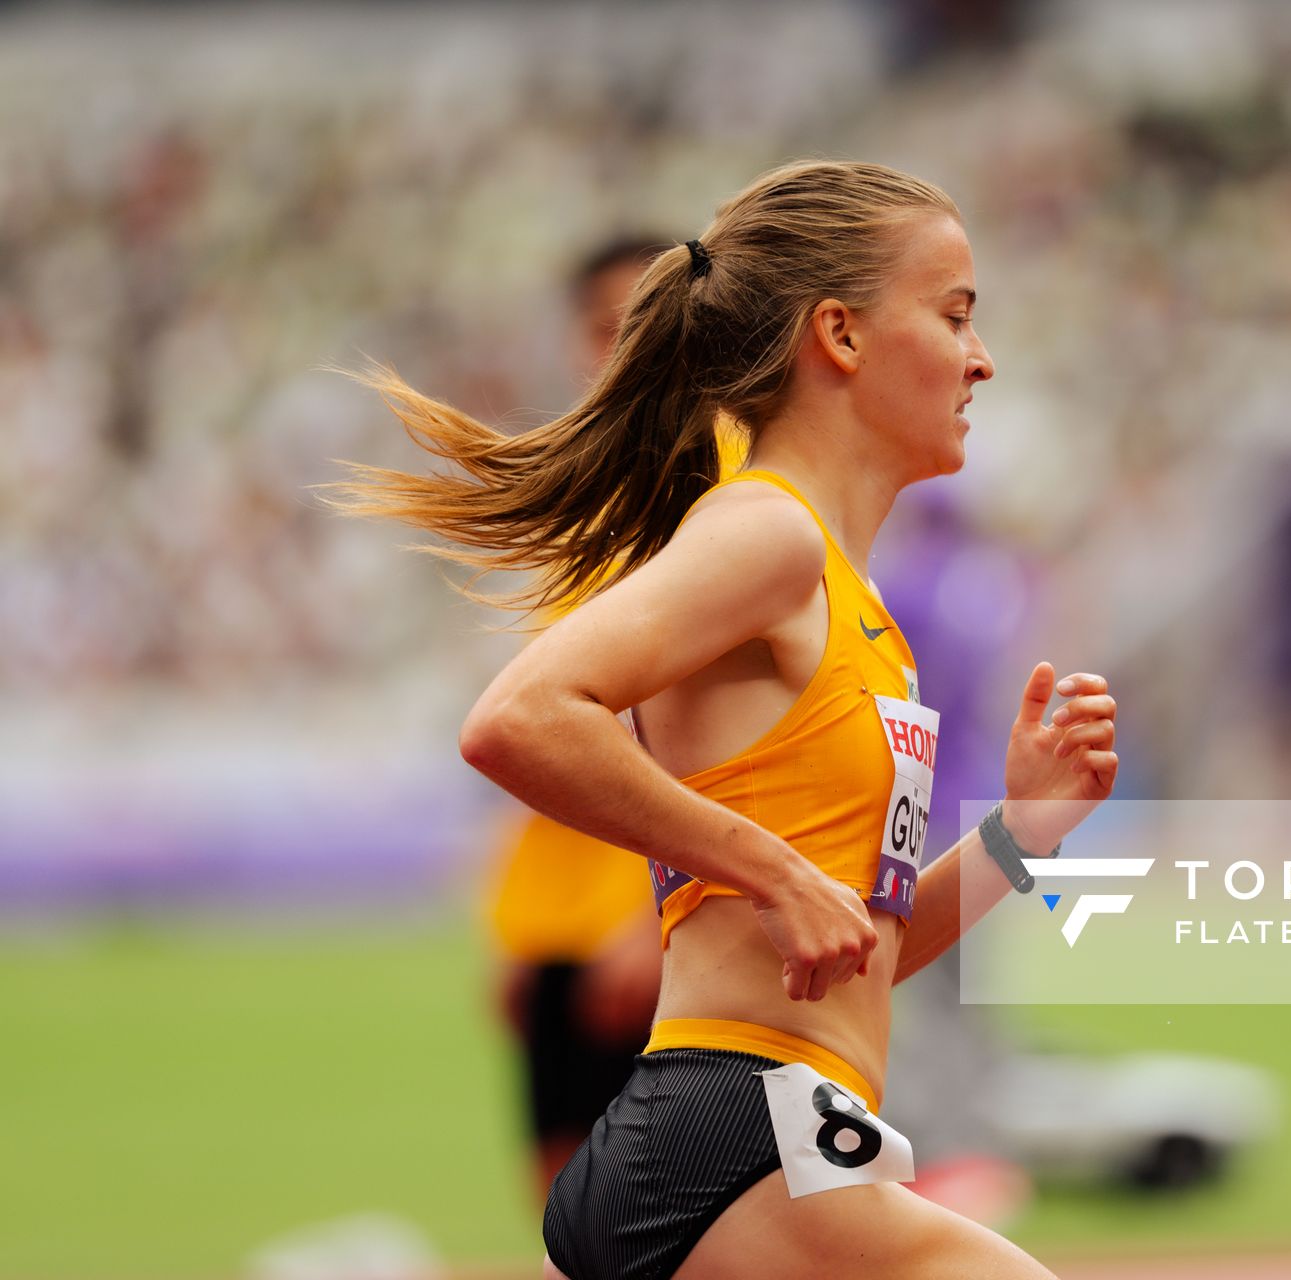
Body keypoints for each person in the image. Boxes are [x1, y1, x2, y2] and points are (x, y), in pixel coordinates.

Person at [333, 160, 1118, 1280]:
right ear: (839, 334)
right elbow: (517, 717)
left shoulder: (854, 603)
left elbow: (860, 951)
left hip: (741, 1141)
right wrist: (772, 869)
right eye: (954, 316)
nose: (982, 356)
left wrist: (1024, 832)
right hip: (734, 1137)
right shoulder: (767, 535)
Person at [486, 233, 757, 1199]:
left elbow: (725, 731)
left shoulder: (732, 497)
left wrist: (651, 927)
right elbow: (548, 723)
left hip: (650, 917)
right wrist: (516, 928)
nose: (624, 351)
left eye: (649, 327)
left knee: (651, 1219)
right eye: (607, 328)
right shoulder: (596, 494)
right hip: (559, 915)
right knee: (565, 1196)